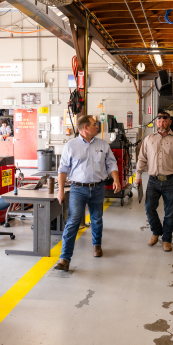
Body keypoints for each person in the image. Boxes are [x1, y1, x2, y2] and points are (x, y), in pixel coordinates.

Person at [54, 115, 121, 271]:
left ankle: (97, 245)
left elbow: (112, 164)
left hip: (98, 188)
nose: (97, 127)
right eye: (94, 124)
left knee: (97, 219)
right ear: (85, 128)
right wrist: (60, 190)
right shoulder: (71, 146)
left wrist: (116, 180)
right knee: (73, 222)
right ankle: (64, 258)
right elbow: (63, 170)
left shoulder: (103, 144)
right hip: (78, 189)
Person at [135, 110, 173, 252]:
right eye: (159, 120)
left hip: (170, 181)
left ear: (169, 122)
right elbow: (142, 159)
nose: (161, 123)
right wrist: (138, 175)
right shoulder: (148, 139)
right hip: (153, 180)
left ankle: (167, 239)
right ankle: (156, 231)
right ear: (156, 122)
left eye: (164, 120)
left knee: (169, 212)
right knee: (149, 208)